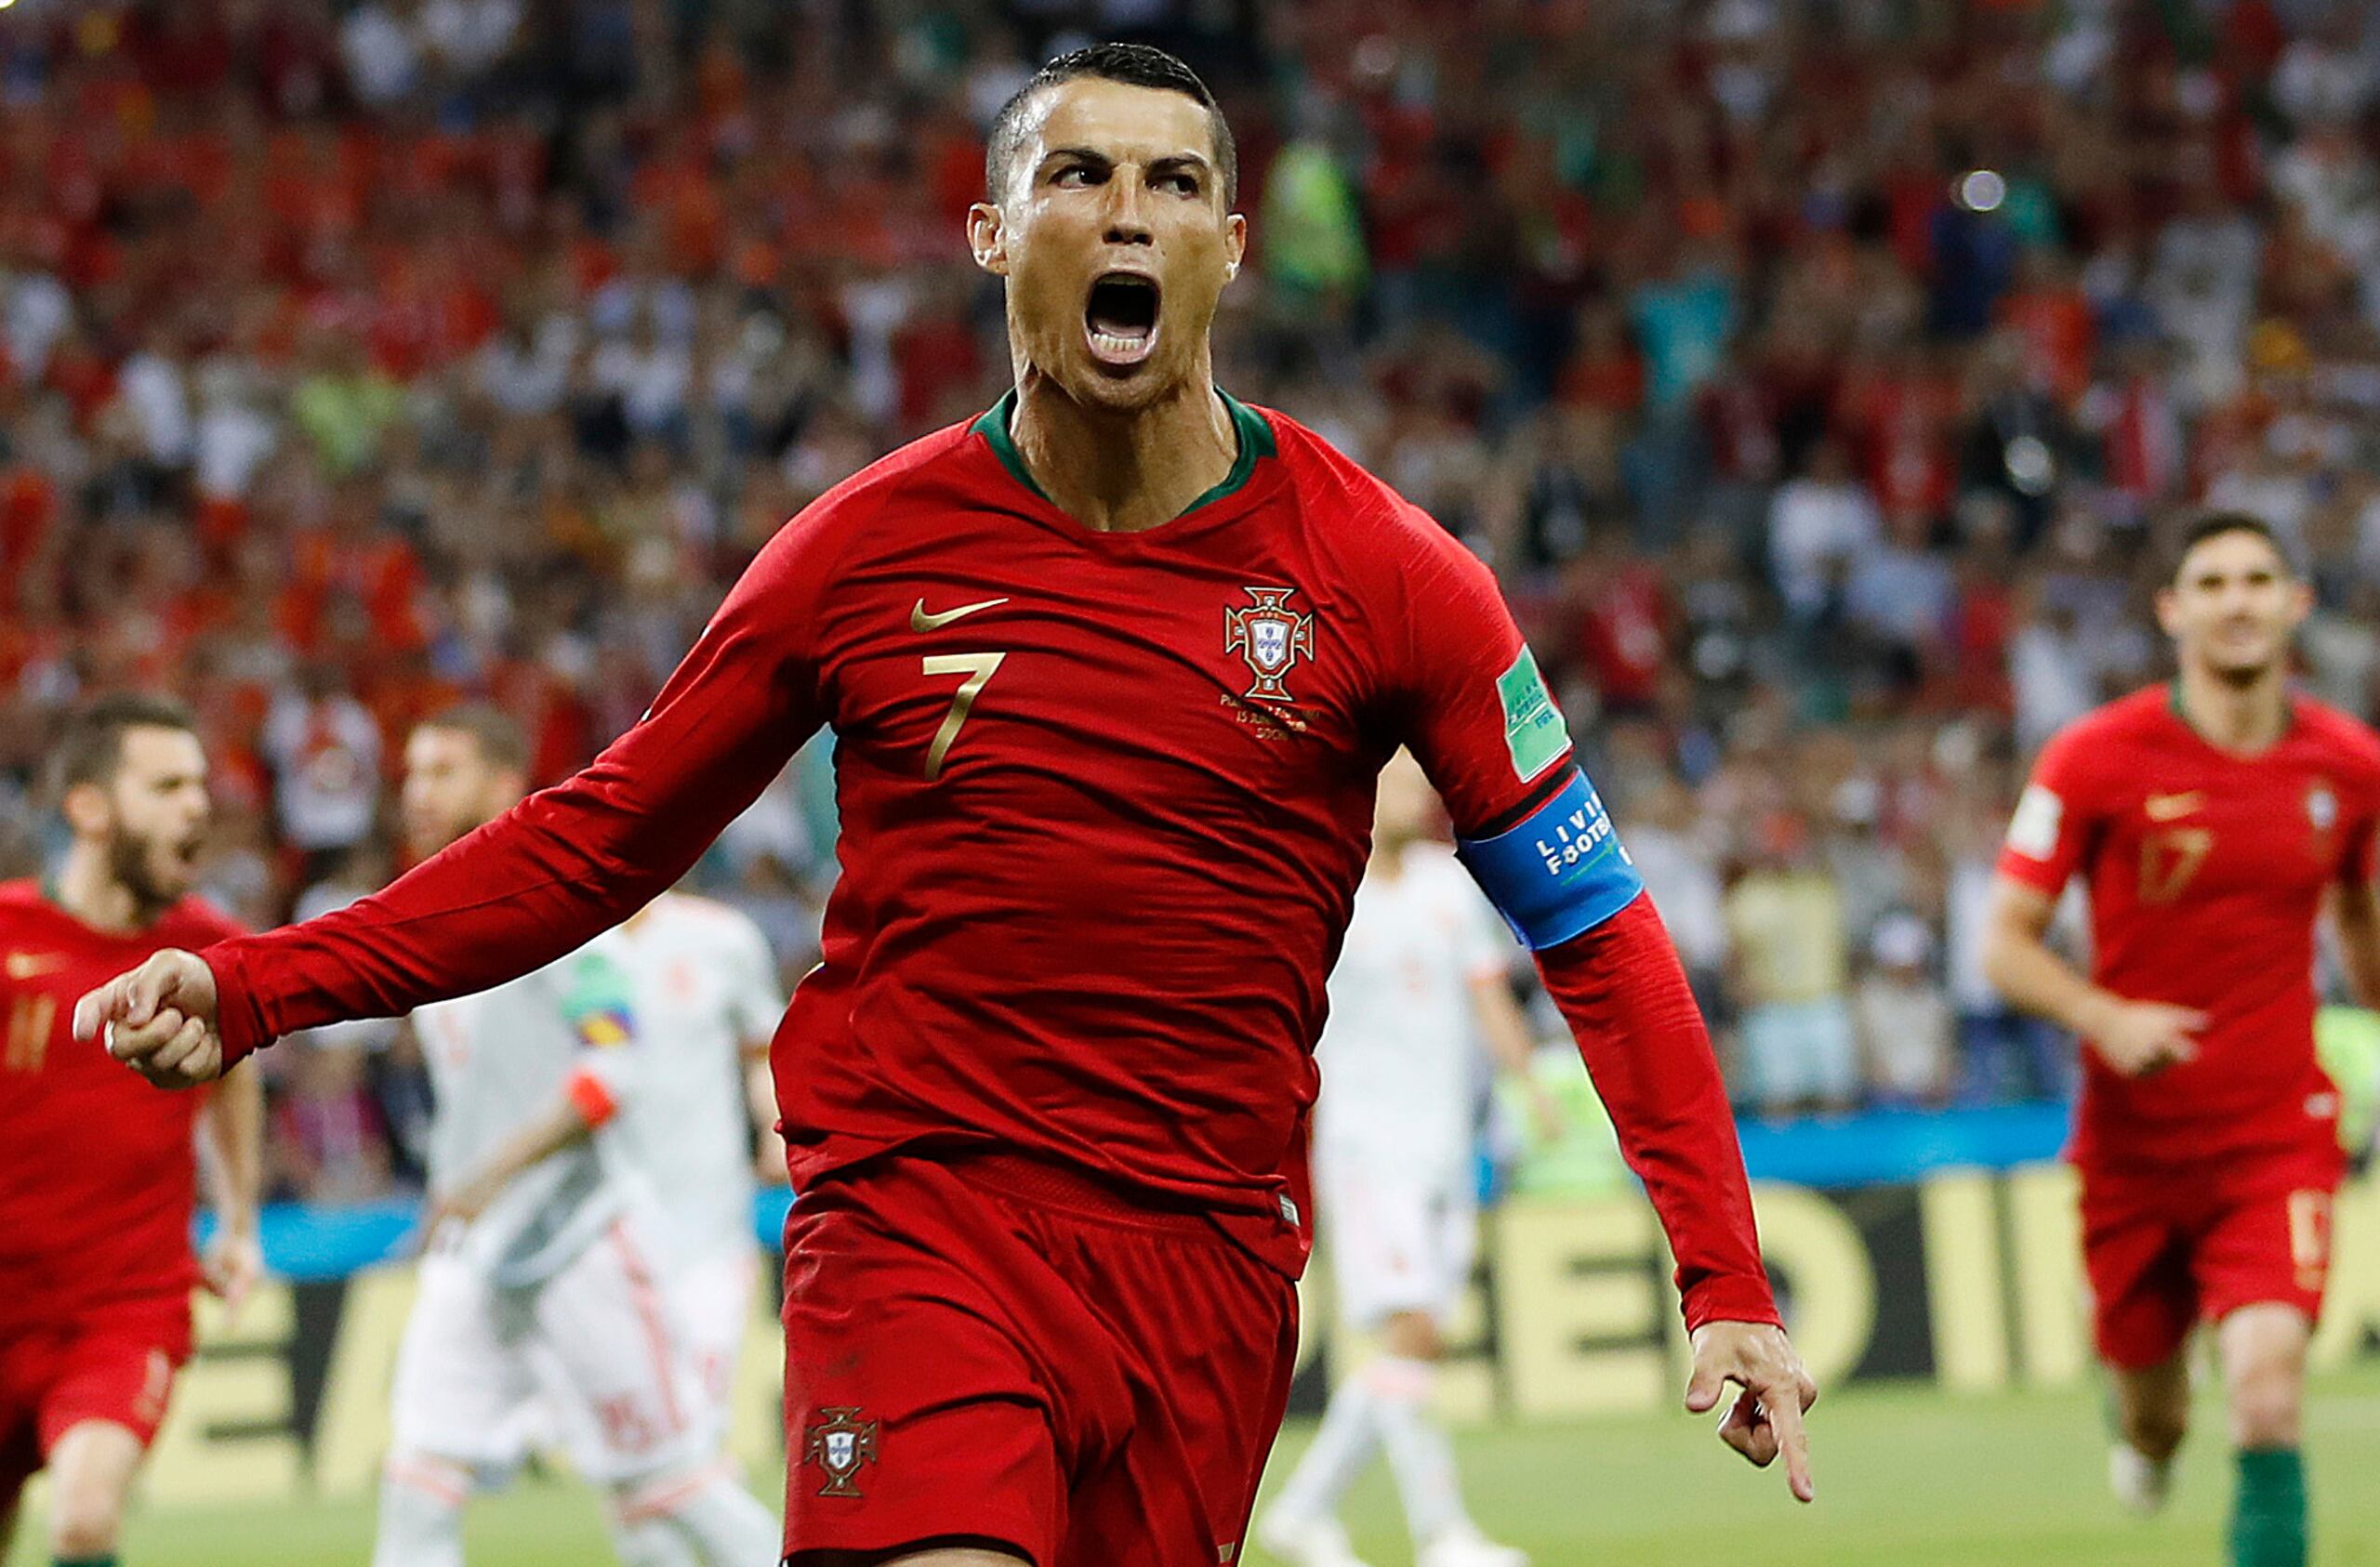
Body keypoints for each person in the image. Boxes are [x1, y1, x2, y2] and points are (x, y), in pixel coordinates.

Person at [78, 45, 1814, 1567]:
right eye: (1077, 176)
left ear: (1226, 245)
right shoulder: (862, 554)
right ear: (994, 235)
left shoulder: (1393, 578)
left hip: (1208, 1266)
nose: (1126, 216)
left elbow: (1594, 928)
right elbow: (597, 840)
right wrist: (257, 987)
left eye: (1173, 186)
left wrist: (1725, 1277)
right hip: (919, 1219)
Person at [1983, 511, 2380, 1567]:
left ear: (2296, 603)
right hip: (2133, 1146)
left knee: (2263, 1394)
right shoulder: (2093, 757)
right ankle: (2139, 1417)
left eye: (2259, 578)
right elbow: (2003, 946)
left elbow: (2360, 928)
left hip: (2277, 1131)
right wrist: (2102, 1016)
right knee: (2158, 1416)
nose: (2237, 600)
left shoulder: (2348, 767)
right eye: (2210, 583)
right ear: (2172, 611)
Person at [373, 704, 777, 1567]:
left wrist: (483, 1175)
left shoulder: (567, 912)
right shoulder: (425, 916)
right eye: (411, 772)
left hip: (581, 1241)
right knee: (415, 1491)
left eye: (441, 771)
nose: (416, 792)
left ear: (500, 782)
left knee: (671, 1490)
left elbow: (607, 1076)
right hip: (477, 1255)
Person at [1258, 752, 1550, 1567]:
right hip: (1365, 1146)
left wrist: (1534, 1088)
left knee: (1416, 1345)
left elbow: (1488, 994)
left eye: (1420, 778)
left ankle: (1305, 1510)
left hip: (1445, 1149)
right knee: (1411, 1330)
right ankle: (1443, 1536)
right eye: (1397, 776)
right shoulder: (1324, 889)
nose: (1417, 792)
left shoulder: (1447, 886)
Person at [0, 694, 262, 1567]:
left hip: (124, 1303)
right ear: (89, 808)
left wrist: (239, 1220)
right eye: (166, 785)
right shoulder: (7, 938)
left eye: (199, 785)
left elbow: (234, 1073)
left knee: (83, 1519)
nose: (197, 804)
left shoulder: (207, 950)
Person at [604, 888, 788, 1424]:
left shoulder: (721, 939)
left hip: (708, 1215)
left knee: (699, 1415)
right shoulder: (564, 952)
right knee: (648, 1436)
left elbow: (762, 1050)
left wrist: (774, 1131)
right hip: (610, 1226)